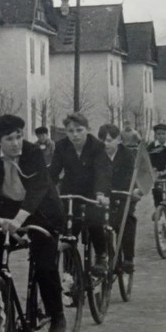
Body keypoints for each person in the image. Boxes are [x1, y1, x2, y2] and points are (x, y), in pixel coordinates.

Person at [0, 114, 67, 332]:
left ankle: (57, 319)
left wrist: (19, 219)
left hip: (42, 212)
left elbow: (38, 188)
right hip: (8, 212)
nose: (16, 143)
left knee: (44, 264)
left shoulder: (32, 153)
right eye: (9, 139)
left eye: (18, 136)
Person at [49, 113, 111, 275]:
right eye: (70, 131)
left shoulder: (96, 146)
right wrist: (45, 191)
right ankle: (69, 270)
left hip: (92, 191)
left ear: (87, 129)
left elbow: (102, 171)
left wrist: (100, 193)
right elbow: (53, 172)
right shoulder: (61, 146)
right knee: (68, 228)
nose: (75, 135)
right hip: (70, 190)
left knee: (94, 220)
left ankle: (101, 256)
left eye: (79, 130)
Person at [97, 123, 142, 274]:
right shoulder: (97, 154)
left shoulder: (127, 154)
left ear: (118, 140)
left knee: (126, 219)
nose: (105, 144)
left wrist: (134, 190)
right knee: (96, 222)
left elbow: (132, 174)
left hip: (123, 194)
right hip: (104, 195)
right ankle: (104, 256)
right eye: (102, 140)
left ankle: (128, 258)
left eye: (109, 140)